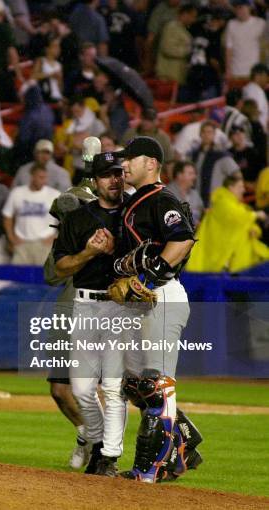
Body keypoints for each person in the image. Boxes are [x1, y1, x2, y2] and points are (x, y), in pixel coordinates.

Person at [113, 136, 203, 482]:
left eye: (130, 159)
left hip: (162, 296)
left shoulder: (160, 198)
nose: (124, 164)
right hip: (145, 301)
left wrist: (150, 279)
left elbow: (182, 239)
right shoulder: (136, 202)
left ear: (151, 163)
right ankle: (182, 442)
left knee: (157, 386)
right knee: (135, 385)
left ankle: (147, 471)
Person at [53, 151, 126, 476]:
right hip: (84, 304)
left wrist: (119, 254)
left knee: (111, 386)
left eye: (119, 173)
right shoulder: (77, 220)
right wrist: (90, 251)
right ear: (95, 182)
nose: (115, 180)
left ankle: (108, 456)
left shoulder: (132, 215)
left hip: (120, 305)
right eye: (108, 175)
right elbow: (60, 266)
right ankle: (97, 443)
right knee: (82, 389)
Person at [187, 172, 268, 272]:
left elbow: (243, 222)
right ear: (231, 187)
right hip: (219, 256)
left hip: (237, 258)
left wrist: (254, 229)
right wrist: (256, 214)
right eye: (240, 187)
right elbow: (237, 216)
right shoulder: (222, 202)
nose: (243, 190)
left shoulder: (235, 204)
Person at [190, 121, 239, 207]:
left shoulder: (221, 155)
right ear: (200, 134)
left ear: (214, 134)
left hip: (215, 202)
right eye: (203, 132)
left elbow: (236, 175)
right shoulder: (195, 154)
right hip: (197, 200)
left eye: (209, 132)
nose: (206, 135)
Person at [166, 161, 204, 227]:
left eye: (194, 174)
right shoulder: (167, 193)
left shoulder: (195, 193)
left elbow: (201, 212)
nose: (194, 177)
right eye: (190, 174)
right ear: (179, 175)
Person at [242, 64, 268, 133]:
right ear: (257, 76)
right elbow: (254, 114)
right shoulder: (255, 91)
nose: (267, 79)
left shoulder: (250, 88)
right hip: (256, 131)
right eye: (265, 76)